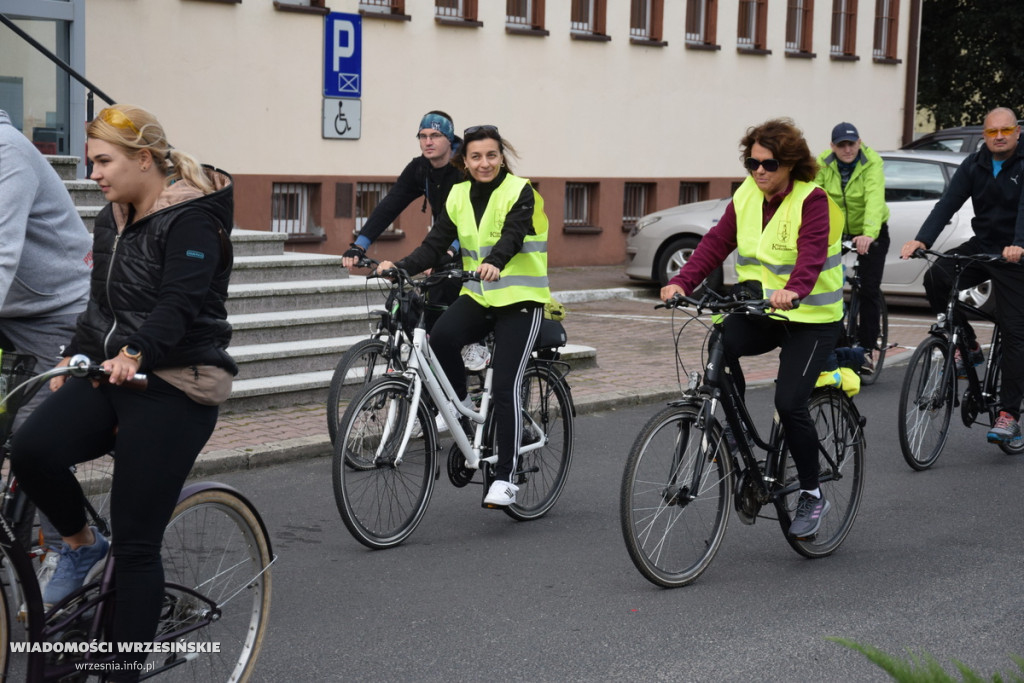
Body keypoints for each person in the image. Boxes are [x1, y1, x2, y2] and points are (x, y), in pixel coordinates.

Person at [10, 104, 236, 677]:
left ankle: (121, 670)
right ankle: (83, 545)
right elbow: (101, 303)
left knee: (137, 544)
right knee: (32, 447)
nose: (95, 174)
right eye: (93, 162)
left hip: (178, 382)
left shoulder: (193, 219)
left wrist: (135, 352)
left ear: (143, 159)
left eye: (104, 161)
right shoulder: (113, 212)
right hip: (115, 373)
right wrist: (74, 350)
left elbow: (177, 308)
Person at [661, 118, 845, 539]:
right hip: (764, 311)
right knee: (721, 344)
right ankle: (732, 433)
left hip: (811, 318)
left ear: (791, 164)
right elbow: (714, 243)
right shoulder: (746, 194)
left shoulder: (812, 201)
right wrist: (681, 281)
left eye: (769, 163)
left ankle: (813, 494)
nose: (759, 170)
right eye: (752, 162)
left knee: (790, 400)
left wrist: (794, 290)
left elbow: (812, 255)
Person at [376, 124, 549, 508]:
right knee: (442, 339)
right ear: (464, 161)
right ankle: (464, 414)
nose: (484, 163)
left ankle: (506, 476)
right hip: (480, 296)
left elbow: (514, 235)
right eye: (475, 157)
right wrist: (400, 266)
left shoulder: (521, 191)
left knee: (504, 387)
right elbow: (435, 244)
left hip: (520, 300)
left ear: (501, 157)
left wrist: (494, 262)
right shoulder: (457, 194)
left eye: (491, 155)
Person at [0, 107, 94, 590]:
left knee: (34, 438)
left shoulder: (7, 153)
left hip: (57, 310)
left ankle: (70, 549)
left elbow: (2, 254)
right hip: (10, 310)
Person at [900, 106, 1024, 443]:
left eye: (1005, 131)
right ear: (984, 135)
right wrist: (922, 239)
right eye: (991, 132)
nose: (999, 137)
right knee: (936, 275)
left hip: (1015, 255)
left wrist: (1019, 244)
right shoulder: (975, 163)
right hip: (982, 245)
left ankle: (1009, 414)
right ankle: (967, 345)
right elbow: (947, 204)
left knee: (1015, 334)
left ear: (1017, 131)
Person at [341, 111, 489, 370]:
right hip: (441, 240)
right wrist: (359, 245)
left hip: (473, 241)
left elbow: (472, 217)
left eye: (435, 135)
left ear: (449, 139)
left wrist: (450, 252)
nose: (428, 142)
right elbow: (390, 205)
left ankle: (476, 343)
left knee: (449, 292)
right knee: (418, 304)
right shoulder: (420, 168)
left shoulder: (464, 169)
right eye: (422, 136)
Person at [815, 122, 890, 373]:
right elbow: (815, 197)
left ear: (859, 142)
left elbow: (874, 198)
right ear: (832, 146)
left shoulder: (871, 162)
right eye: (841, 145)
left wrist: (868, 234)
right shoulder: (823, 164)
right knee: (828, 286)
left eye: (851, 143)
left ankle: (867, 349)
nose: (847, 149)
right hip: (836, 231)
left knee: (868, 289)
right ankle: (835, 345)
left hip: (871, 230)